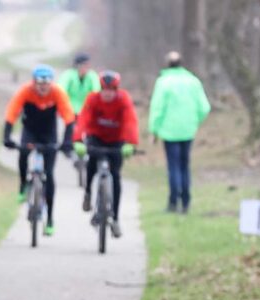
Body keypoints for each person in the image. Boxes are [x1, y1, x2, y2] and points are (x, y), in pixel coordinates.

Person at [3, 64, 76, 236]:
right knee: (23, 153)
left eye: (46, 84)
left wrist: (67, 142)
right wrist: (6, 137)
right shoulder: (25, 92)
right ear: (34, 82)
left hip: (48, 135)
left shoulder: (57, 93)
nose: (43, 87)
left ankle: (50, 218)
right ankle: (23, 186)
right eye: (40, 84)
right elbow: (11, 113)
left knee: (49, 174)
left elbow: (69, 118)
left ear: (51, 84)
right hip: (30, 132)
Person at [74, 70, 139, 238]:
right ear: (100, 89)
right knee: (92, 164)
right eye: (105, 89)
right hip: (96, 137)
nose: (108, 93)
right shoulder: (92, 99)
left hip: (117, 140)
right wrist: (78, 140)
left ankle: (115, 219)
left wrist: (131, 143)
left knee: (116, 176)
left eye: (111, 89)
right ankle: (88, 192)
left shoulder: (123, 99)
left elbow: (130, 121)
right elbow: (83, 119)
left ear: (116, 89)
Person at [148, 51, 210, 213]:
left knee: (173, 166)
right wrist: (195, 121)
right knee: (185, 166)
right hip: (188, 130)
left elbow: (157, 108)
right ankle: (186, 201)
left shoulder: (163, 82)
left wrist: (154, 130)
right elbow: (204, 107)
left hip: (169, 131)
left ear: (167, 64)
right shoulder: (193, 81)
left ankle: (173, 202)